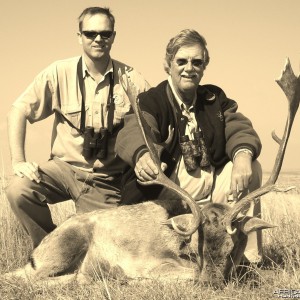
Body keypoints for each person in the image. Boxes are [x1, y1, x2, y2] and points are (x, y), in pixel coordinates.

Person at [5, 7, 150, 248]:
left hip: (106, 179)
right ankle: (47, 247)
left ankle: (72, 250)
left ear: (114, 36)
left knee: (105, 248)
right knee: (18, 189)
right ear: (79, 36)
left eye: (105, 33)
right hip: (63, 169)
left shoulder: (132, 79)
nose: (98, 39)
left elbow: (152, 123)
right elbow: (17, 111)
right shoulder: (58, 72)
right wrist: (18, 161)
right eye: (90, 33)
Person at [116, 29, 262, 263]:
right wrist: (143, 154)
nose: (189, 68)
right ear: (168, 64)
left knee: (252, 167)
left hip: (213, 195)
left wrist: (243, 154)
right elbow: (135, 129)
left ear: (204, 66)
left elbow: (238, 126)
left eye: (197, 62)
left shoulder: (214, 98)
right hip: (169, 199)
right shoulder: (151, 100)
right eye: (181, 61)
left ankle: (248, 258)